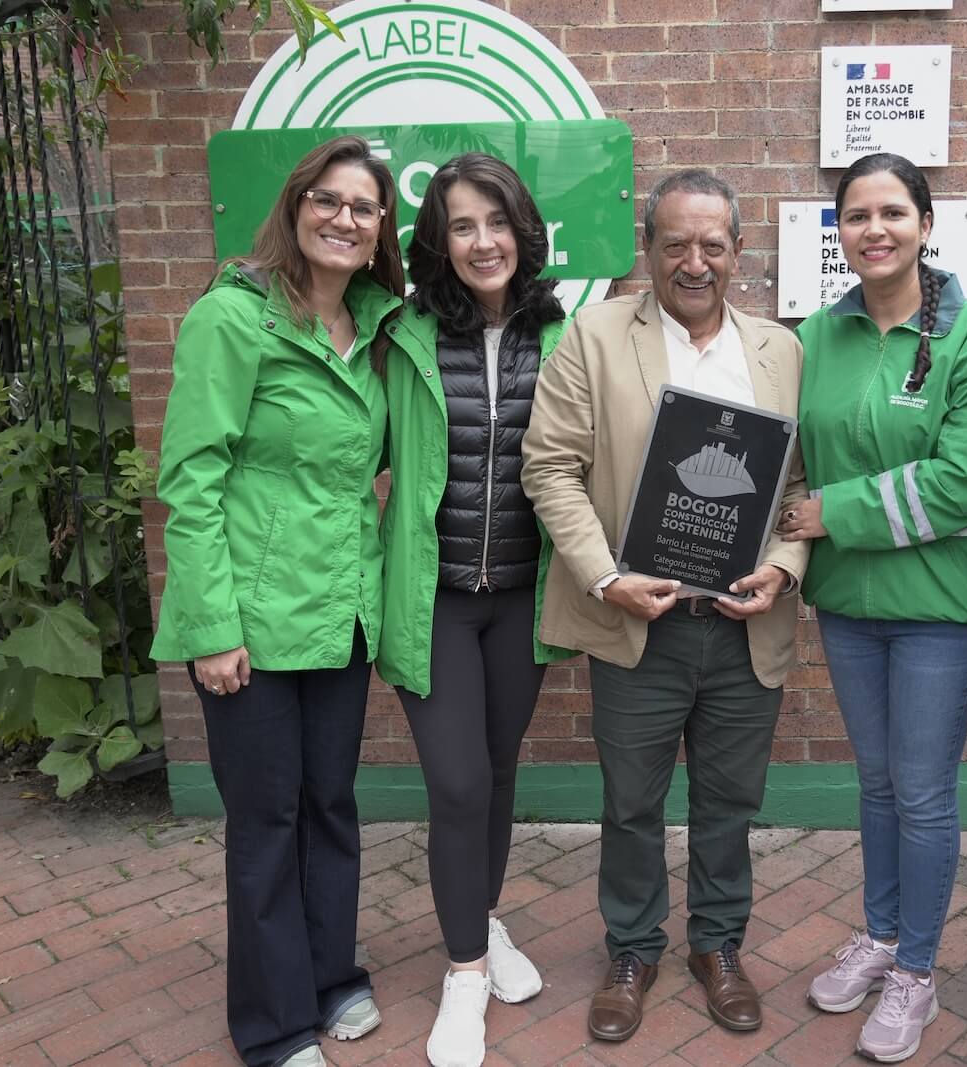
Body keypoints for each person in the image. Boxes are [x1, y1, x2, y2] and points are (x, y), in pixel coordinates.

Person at [521, 169, 810, 1044]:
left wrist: (786, 565)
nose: (695, 261)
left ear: (737, 252)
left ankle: (718, 946)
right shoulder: (595, 336)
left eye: (712, 244)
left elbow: (798, 484)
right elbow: (550, 465)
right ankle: (634, 949)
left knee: (729, 803)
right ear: (648, 248)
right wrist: (606, 576)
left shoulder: (779, 351)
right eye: (676, 243)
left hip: (741, 625)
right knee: (632, 803)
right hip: (638, 622)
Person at [149, 135, 405, 1067]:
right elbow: (191, 480)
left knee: (330, 802)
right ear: (296, 210)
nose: (345, 218)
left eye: (365, 207)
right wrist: (211, 628)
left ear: (383, 230)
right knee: (267, 821)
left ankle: (331, 977)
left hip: (340, 614)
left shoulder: (378, 330)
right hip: (249, 623)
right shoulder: (234, 318)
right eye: (328, 201)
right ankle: (271, 1023)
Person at [775, 152, 967, 1063]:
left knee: (921, 791)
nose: (873, 229)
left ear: (925, 223)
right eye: (855, 215)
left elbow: (963, 484)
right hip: (846, 601)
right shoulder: (818, 336)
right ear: (837, 231)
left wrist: (832, 513)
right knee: (875, 784)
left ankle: (917, 969)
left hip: (937, 609)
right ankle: (879, 936)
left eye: (891, 212)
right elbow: (794, 455)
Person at [374, 153, 568, 1067]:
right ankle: (461, 976)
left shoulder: (563, 331)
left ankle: (481, 924)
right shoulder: (405, 333)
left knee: (494, 771)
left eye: (495, 221)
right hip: (436, 597)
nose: (481, 241)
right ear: (437, 241)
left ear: (523, 231)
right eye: (460, 225)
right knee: (455, 784)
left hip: (522, 598)